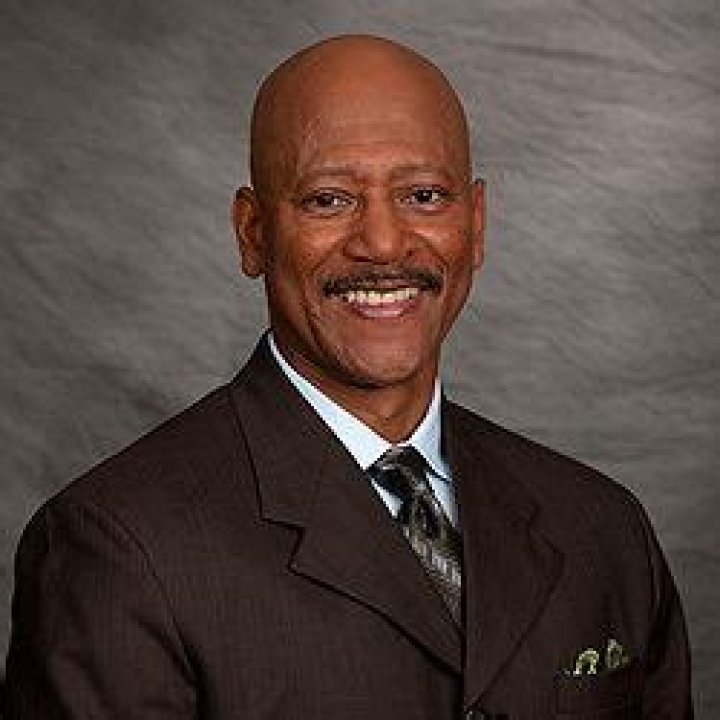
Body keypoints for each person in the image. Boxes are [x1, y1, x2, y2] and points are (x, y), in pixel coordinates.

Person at [4, 35, 692, 719]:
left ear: (476, 224)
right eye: (329, 200)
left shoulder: (603, 528)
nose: (384, 244)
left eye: (424, 195)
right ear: (252, 233)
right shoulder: (119, 548)